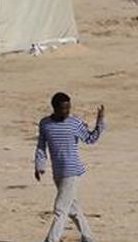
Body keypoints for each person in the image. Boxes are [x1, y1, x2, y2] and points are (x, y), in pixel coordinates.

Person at [35, 92, 105, 242]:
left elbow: (90, 138)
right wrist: (39, 164)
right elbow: (41, 146)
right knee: (73, 209)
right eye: (63, 109)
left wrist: (100, 121)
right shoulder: (45, 124)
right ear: (54, 108)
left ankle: (51, 240)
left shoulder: (74, 123)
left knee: (60, 209)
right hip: (58, 172)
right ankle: (89, 238)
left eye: (68, 108)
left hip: (72, 171)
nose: (67, 112)